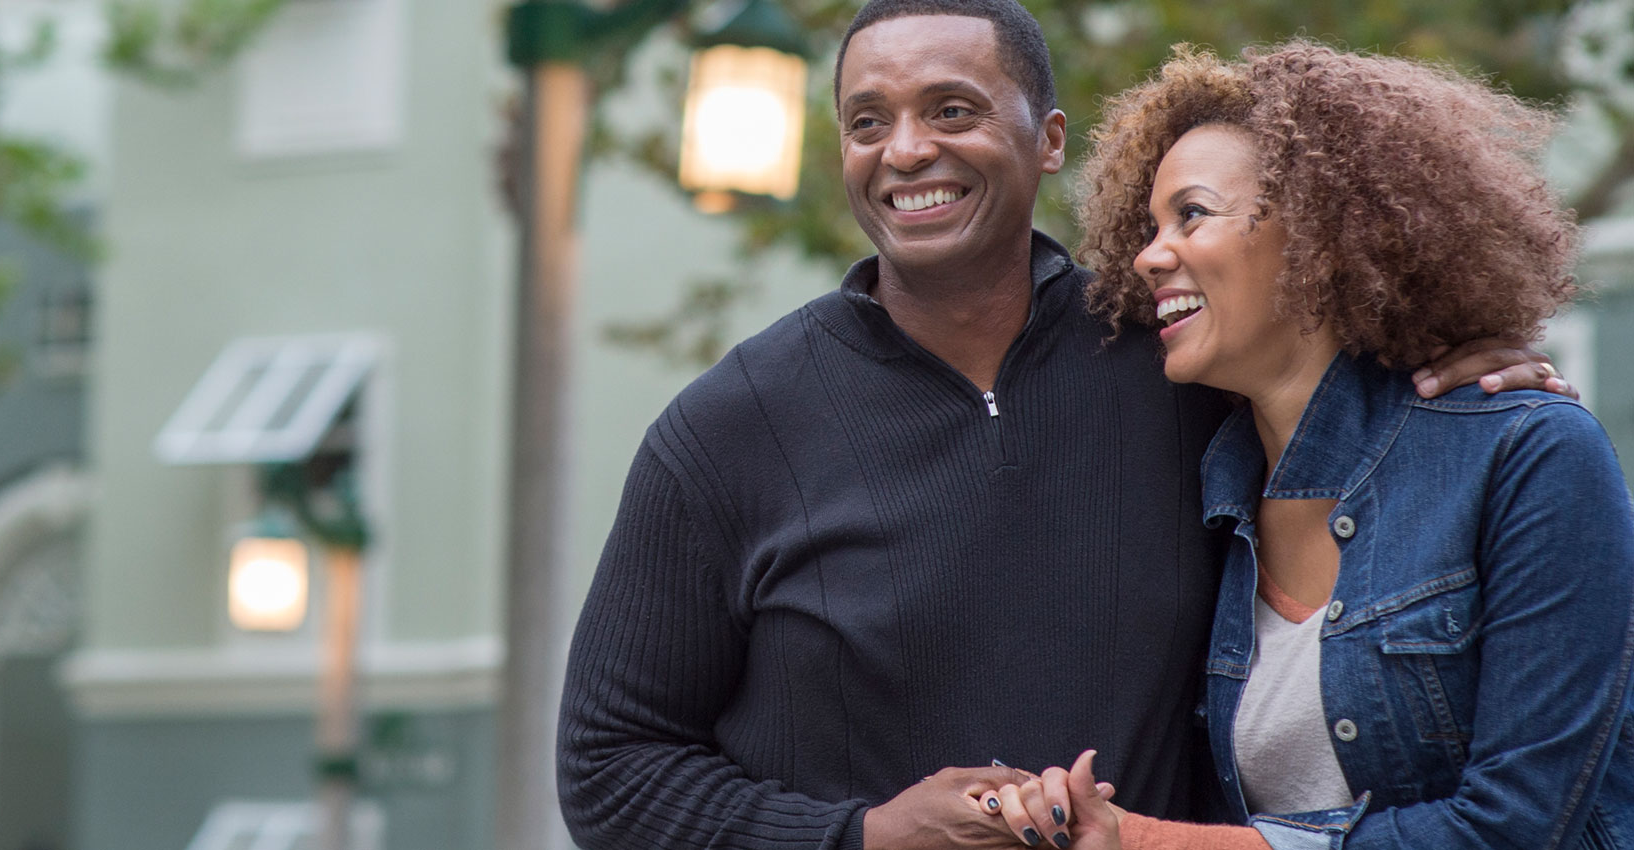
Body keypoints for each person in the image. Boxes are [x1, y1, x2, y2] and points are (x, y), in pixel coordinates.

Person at [555, 4, 1576, 849]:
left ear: (1047, 137)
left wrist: (1467, 354)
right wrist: (860, 835)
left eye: (950, 108)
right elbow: (609, 770)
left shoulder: (1182, 366)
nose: (906, 149)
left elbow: (1342, 367)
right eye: (867, 122)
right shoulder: (727, 427)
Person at [995, 41, 1634, 850]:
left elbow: (1517, 824)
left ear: (1318, 235)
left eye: (1190, 214)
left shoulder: (1526, 454)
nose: (1147, 256)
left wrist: (1147, 843)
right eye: (1149, 226)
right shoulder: (1202, 486)